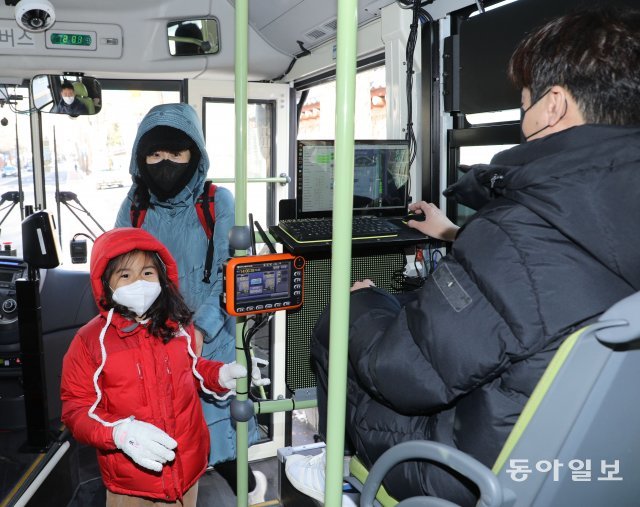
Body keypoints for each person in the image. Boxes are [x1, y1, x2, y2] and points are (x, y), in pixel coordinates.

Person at [286, 6, 640, 506]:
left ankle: (334, 466)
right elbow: (555, 283)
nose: (522, 120)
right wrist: (455, 235)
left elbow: (404, 375)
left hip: (474, 468)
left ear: (553, 105)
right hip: (600, 452)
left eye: (523, 105)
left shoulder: (519, 228)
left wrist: (365, 304)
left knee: (343, 318)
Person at [114, 103, 268, 502]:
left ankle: (233, 470)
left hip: (210, 334)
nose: (165, 163)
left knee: (221, 418)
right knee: (164, 430)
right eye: (155, 154)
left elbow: (228, 273)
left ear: (195, 154)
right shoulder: (134, 207)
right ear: (141, 157)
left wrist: (199, 328)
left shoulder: (217, 203)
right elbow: (117, 270)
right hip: (150, 336)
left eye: (176, 153)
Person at [60, 227, 256, 506]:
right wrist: (119, 434)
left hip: (187, 469)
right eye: (125, 275)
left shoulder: (177, 325)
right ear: (107, 284)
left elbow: (190, 368)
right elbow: (76, 409)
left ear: (162, 277)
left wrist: (219, 375)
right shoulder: (91, 342)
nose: (139, 282)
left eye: (147, 273)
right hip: (132, 482)